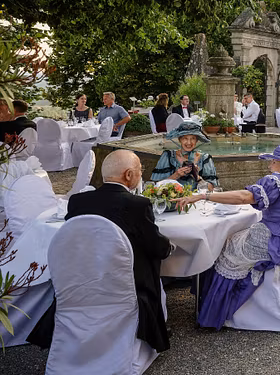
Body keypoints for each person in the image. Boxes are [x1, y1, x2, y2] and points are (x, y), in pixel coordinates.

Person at [29, 150, 172, 352]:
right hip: (124, 285)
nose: (142, 174)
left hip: (82, 280)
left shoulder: (78, 201)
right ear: (129, 175)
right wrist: (169, 247)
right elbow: (156, 246)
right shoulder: (137, 205)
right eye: (140, 170)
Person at [173, 145, 280, 329]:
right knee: (232, 236)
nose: (270, 165)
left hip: (271, 243)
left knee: (219, 245)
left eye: (273, 161)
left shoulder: (276, 181)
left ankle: (214, 310)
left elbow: (243, 197)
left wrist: (203, 196)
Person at [151, 121, 219, 190]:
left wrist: (197, 177)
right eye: (185, 138)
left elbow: (211, 188)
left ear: (197, 140)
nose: (189, 142)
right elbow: (156, 186)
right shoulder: (168, 156)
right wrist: (176, 175)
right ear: (180, 139)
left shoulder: (205, 159)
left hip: (197, 199)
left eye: (193, 138)